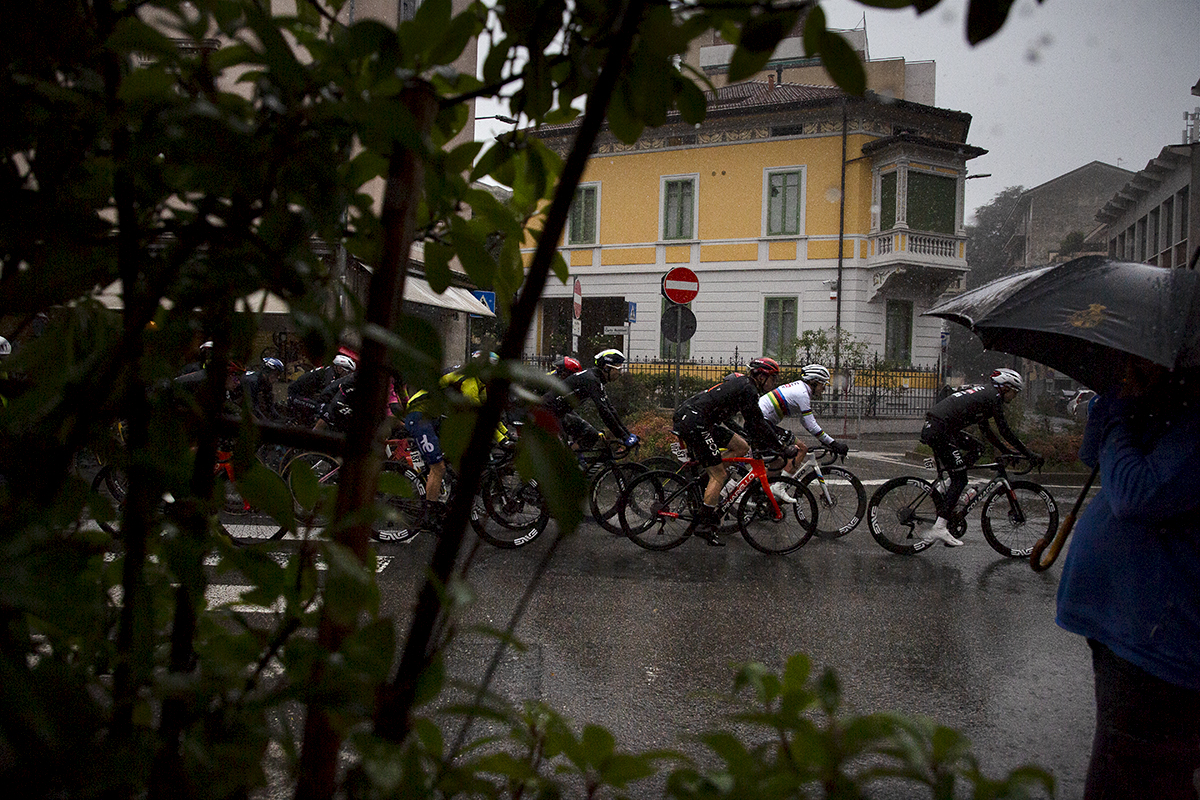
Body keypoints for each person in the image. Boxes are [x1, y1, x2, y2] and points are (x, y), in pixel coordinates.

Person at [1055, 359, 1200, 800]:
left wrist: (1118, 420)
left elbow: (1138, 494)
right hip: (1123, 625)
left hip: (1157, 639)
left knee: (1128, 780)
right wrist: (1120, 403)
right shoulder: (1171, 399)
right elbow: (1090, 456)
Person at [672, 357, 797, 546]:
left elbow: (745, 424)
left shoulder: (744, 386)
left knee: (741, 446)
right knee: (719, 475)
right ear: (762, 376)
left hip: (699, 420)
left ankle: (709, 470)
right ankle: (704, 526)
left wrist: (753, 439)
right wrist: (780, 447)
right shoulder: (748, 389)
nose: (775, 383)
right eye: (773, 378)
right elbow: (757, 423)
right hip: (694, 422)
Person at [918, 367, 1042, 547]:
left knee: (977, 448)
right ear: (1005, 387)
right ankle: (939, 527)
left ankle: (947, 487)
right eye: (1014, 393)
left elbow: (987, 431)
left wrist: (1006, 451)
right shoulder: (994, 398)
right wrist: (1028, 453)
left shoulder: (987, 395)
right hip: (940, 430)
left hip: (939, 428)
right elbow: (1004, 430)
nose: (1014, 397)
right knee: (961, 479)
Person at [401, 352, 510, 536]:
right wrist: (502, 440)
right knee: (439, 467)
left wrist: (507, 436)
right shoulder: (468, 382)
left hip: (435, 416)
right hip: (419, 416)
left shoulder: (480, 384)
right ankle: (429, 516)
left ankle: (443, 496)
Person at [758, 363, 849, 502]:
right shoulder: (802, 393)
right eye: (823, 384)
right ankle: (779, 487)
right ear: (814, 381)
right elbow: (811, 425)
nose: (824, 389)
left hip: (761, 422)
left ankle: (760, 492)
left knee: (779, 460)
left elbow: (805, 422)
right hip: (762, 422)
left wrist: (826, 440)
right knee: (801, 449)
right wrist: (833, 443)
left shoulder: (800, 388)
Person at [541, 349, 638, 451]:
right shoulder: (591, 380)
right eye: (618, 369)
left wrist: (628, 435)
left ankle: (577, 459)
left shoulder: (596, 379)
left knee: (592, 435)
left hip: (560, 413)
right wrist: (623, 436)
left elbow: (610, 409)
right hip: (547, 412)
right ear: (606, 368)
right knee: (560, 450)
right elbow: (604, 412)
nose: (620, 373)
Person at [287, 353, 355, 426]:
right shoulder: (330, 375)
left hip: (303, 395)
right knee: (322, 409)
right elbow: (327, 394)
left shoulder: (329, 371)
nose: (347, 375)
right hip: (295, 396)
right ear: (339, 368)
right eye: (347, 372)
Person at [240, 357, 285, 422]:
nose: (278, 377)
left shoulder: (266, 382)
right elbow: (254, 408)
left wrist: (282, 419)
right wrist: (267, 423)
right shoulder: (252, 382)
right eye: (276, 374)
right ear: (267, 373)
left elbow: (269, 405)